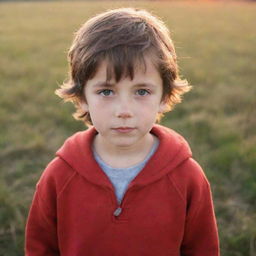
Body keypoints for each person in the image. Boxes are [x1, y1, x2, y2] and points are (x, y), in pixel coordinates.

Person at [25, 7, 220, 255]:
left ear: (164, 96)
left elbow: (202, 248)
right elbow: (41, 247)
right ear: (82, 97)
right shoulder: (60, 175)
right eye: (106, 91)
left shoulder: (187, 177)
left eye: (141, 92)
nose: (124, 110)